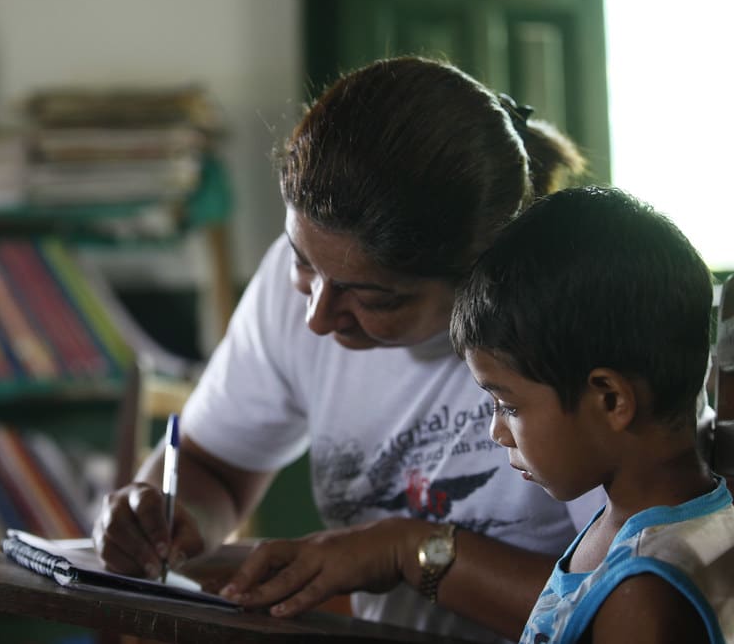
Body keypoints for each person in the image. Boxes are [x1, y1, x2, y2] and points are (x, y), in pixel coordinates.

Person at [93, 55, 591, 642]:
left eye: (375, 299)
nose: (317, 317)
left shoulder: (577, 326)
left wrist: (408, 551)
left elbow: (630, 607)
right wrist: (163, 518)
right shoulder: (305, 279)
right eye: (303, 263)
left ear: (481, 274)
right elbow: (213, 466)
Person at [453, 186, 734, 641]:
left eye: (509, 405)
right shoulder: (641, 520)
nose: (496, 431)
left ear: (610, 400)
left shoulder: (643, 601)